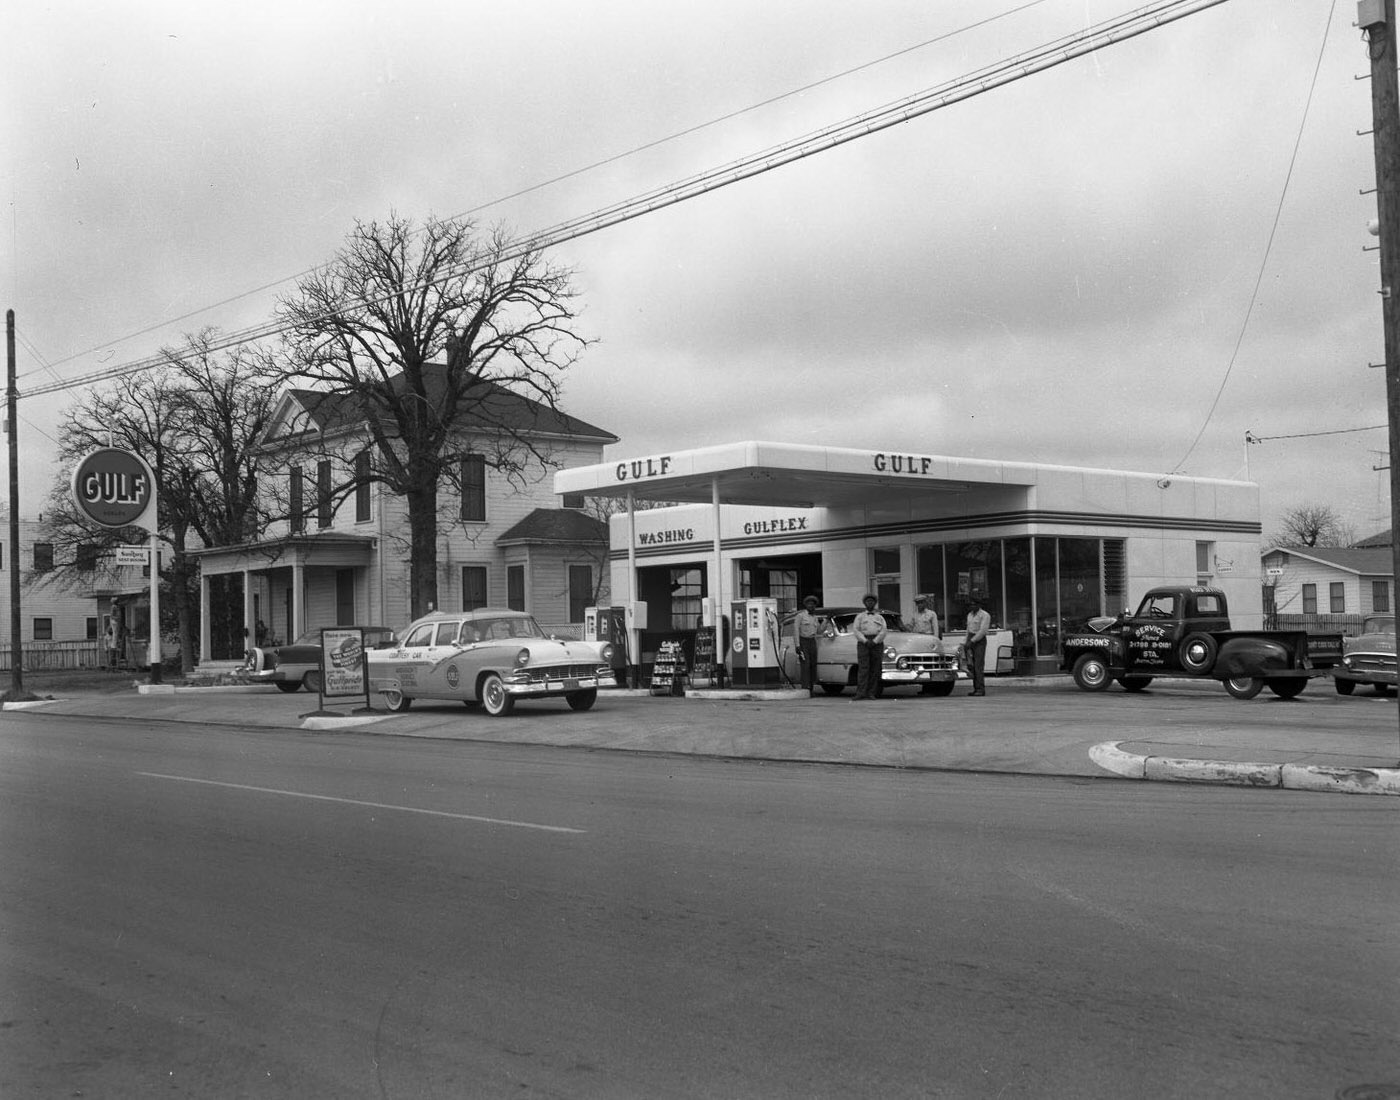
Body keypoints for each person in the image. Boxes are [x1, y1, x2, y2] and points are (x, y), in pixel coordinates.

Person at [851, 593, 887, 700]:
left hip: (877, 643)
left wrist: (875, 641)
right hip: (863, 643)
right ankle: (860, 692)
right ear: (864, 603)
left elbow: (883, 631)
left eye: (872, 601)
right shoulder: (860, 617)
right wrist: (865, 641)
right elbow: (856, 630)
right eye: (868, 601)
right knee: (863, 668)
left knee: (875, 668)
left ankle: (871, 693)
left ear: (875, 603)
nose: (870, 603)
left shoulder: (879, 617)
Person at [794, 595, 822, 697]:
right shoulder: (800, 616)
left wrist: (827, 620)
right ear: (805, 605)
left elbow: (819, 631)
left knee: (813, 665)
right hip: (803, 641)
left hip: (812, 641)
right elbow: (796, 630)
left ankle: (811, 688)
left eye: (813, 604)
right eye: (809, 604)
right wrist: (797, 645)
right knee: (805, 665)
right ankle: (805, 689)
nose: (811, 606)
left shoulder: (815, 618)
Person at [964, 596, 992, 696]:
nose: (972, 606)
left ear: (979, 605)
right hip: (970, 639)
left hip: (979, 641)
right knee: (971, 666)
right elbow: (968, 630)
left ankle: (980, 689)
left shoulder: (985, 615)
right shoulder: (969, 615)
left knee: (978, 666)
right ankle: (975, 688)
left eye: (974, 604)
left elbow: (983, 631)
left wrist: (972, 641)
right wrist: (965, 642)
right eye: (971, 604)